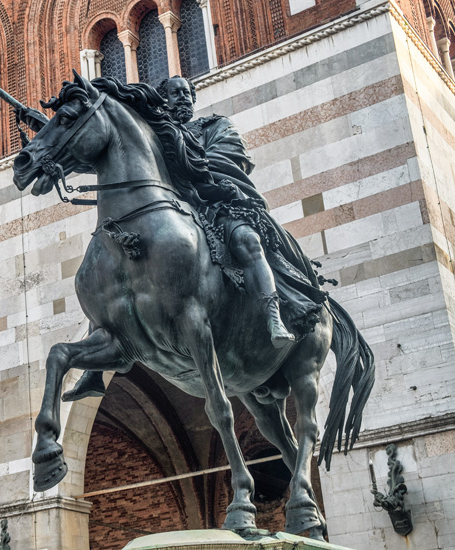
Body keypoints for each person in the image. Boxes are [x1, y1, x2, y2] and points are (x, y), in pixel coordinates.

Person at [17, 75, 327, 402]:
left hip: (215, 205)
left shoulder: (214, 126)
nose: (183, 99)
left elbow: (228, 162)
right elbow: (113, 152)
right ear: (165, 100)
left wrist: (185, 156)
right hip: (172, 209)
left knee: (248, 241)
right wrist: (48, 130)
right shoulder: (154, 133)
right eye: (175, 93)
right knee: (113, 269)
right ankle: (96, 366)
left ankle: (273, 313)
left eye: (187, 93)